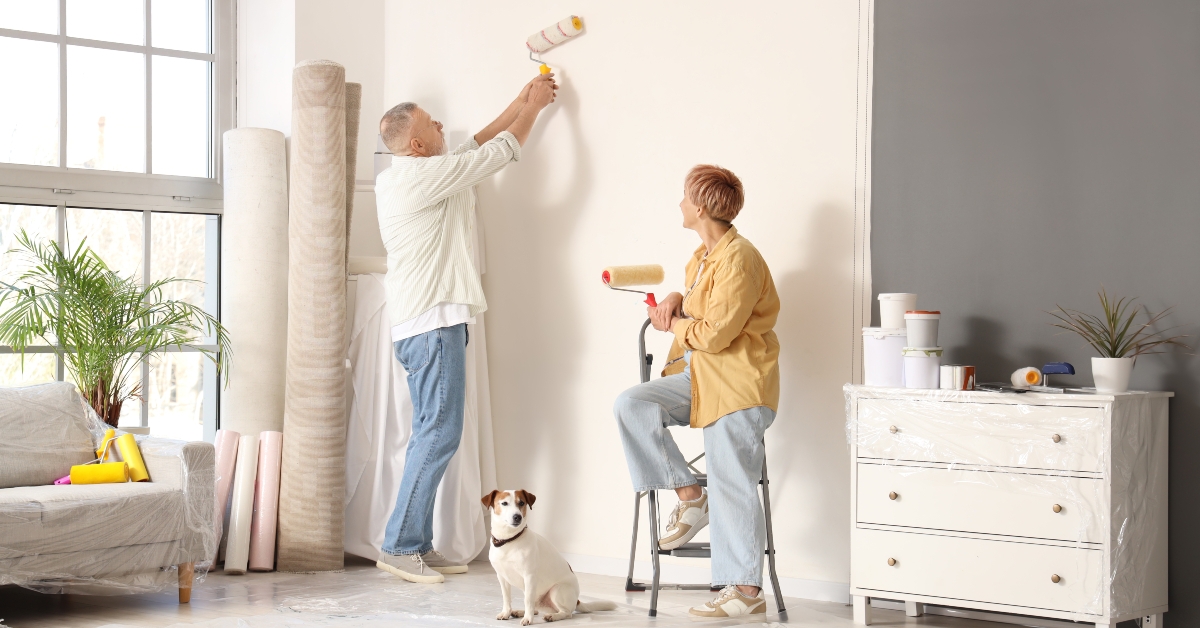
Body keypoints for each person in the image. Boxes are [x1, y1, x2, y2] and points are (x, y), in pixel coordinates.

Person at [374, 73, 558, 584]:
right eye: (432, 124)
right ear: (416, 145)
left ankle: (414, 542)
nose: (441, 125)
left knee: (432, 434)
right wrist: (536, 108)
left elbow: (473, 146)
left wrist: (519, 101)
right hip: (433, 323)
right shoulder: (420, 178)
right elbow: (496, 153)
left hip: (427, 322)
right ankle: (399, 545)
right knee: (438, 434)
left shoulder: (418, 172)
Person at [613, 165, 780, 617]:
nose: (680, 203)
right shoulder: (703, 258)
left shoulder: (740, 258)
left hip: (737, 384)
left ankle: (746, 593)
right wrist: (675, 299)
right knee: (632, 404)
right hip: (700, 378)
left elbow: (715, 333)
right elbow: (704, 310)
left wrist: (676, 323)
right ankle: (690, 496)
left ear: (702, 207)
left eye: (685, 196)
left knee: (733, 481)